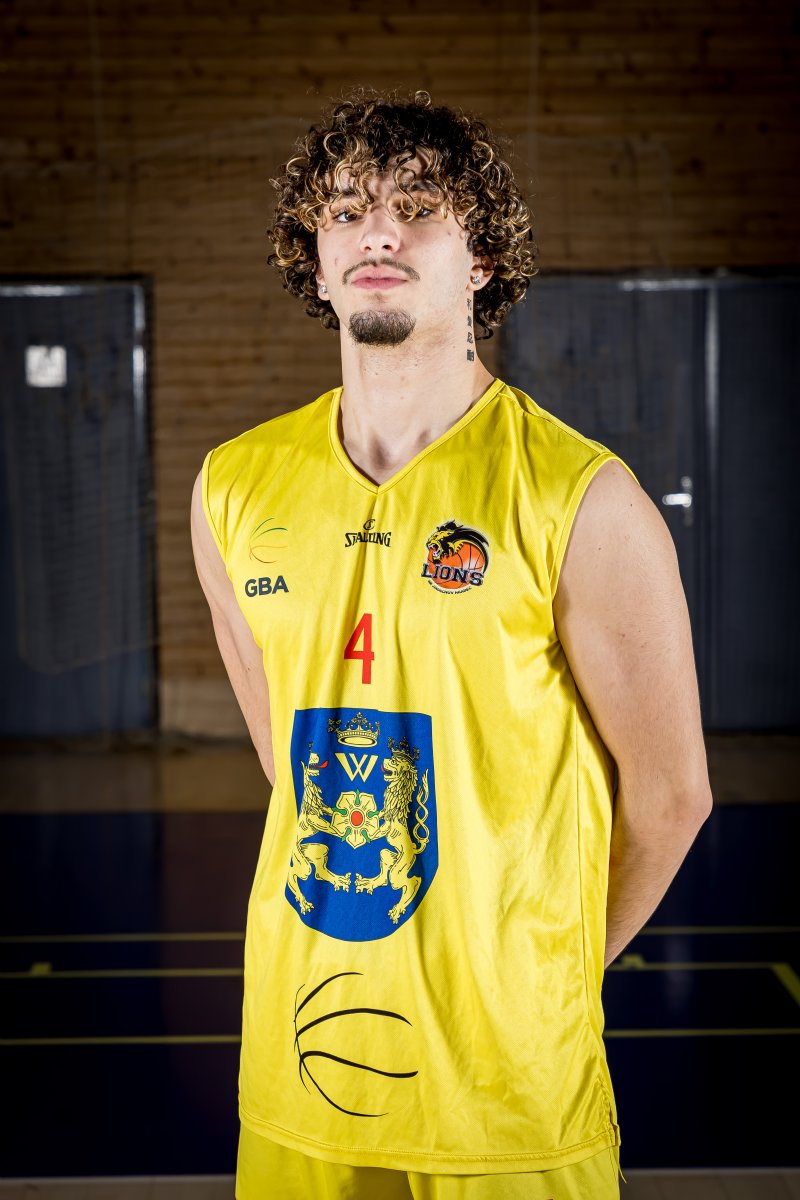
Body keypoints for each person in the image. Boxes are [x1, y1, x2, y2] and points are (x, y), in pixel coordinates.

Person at [191, 88, 712, 1199]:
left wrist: (538, 986)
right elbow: (291, 761)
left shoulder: (583, 498)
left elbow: (672, 798)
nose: (376, 231)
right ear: (316, 260)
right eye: (345, 211)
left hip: (506, 1092)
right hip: (301, 1059)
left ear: (482, 259)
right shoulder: (231, 488)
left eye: (418, 207)